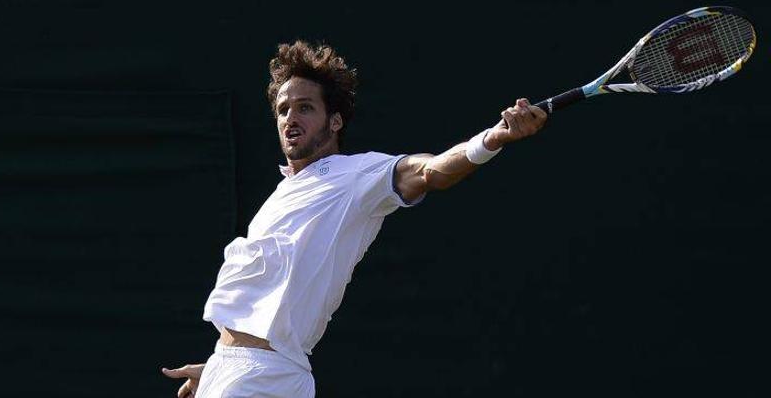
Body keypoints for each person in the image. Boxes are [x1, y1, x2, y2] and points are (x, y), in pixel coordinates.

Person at [161, 41, 547, 397]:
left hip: (265, 379)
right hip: (228, 373)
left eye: (305, 108)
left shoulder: (357, 177)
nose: (290, 118)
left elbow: (429, 171)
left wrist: (491, 140)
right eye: (283, 110)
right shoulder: (281, 196)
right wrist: (219, 366)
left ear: (335, 122)